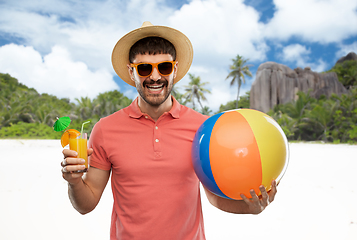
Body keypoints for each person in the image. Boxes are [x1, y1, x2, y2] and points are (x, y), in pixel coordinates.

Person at [60, 21, 277, 240]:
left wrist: (251, 208)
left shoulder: (203, 129)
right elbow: (86, 205)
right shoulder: (105, 129)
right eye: (144, 68)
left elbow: (215, 197)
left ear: (175, 69)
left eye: (163, 67)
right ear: (131, 72)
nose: (155, 77)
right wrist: (74, 181)